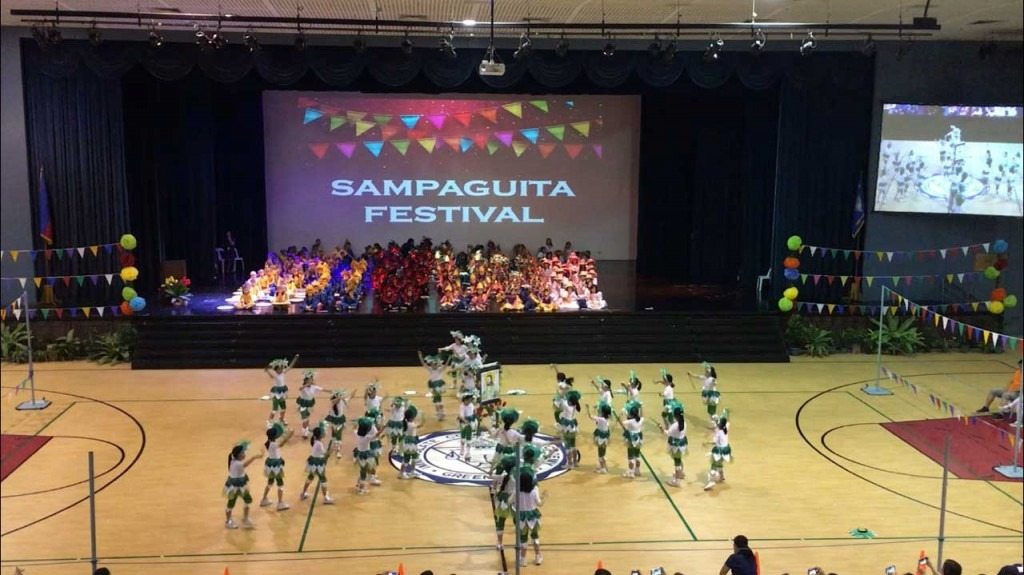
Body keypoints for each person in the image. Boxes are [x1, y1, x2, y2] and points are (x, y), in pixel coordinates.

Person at [224, 441, 263, 529]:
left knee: (247, 500)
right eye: (243, 453)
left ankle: (245, 518)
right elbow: (246, 464)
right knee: (231, 503)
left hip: (240, 486)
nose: (244, 454)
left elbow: (234, 450)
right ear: (238, 455)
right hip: (235, 487)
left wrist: (238, 445)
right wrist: (255, 457)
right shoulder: (238, 464)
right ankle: (228, 521)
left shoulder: (232, 458)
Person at [259, 423, 294, 511]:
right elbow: (282, 443)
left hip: (270, 464)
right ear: (275, 436)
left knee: (270, 482)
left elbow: (280, 440)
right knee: (280, 483)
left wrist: (286, 434)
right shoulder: (273, 444)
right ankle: (280, 503)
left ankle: (264, 499)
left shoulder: (269, 443)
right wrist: (289, 435)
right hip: (275, 466)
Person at [300, 425, 334, 504]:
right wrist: (332, 449)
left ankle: (303, 493)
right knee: (323, 479)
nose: (325, 433)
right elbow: (326, 454)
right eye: (323, 432)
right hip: (318, 463)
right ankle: (326, 498)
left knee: (310, 477)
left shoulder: (315, 441)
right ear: (320, 435)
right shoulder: (319, 443)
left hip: (313, 462)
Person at [655, 404, 687, 487]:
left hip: (675, 446)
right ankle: (681, 473)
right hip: (682, 445)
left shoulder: (675, 426)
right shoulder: (684, 423)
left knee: (677, 462)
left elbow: (667, 433)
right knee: (679, 460)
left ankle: (677, 481)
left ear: (675, 415)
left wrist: (660, 427)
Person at [516, 471, 544, 566]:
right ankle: (538, 557)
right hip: (533, 515)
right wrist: (543, 499)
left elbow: (512, 502)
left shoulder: (517, 491)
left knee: (523, 538)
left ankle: (523, 559)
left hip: (522, 516)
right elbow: (539, 503)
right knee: (535, 536)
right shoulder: (535, 489)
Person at [264, 355, 299, 427]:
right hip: (276, 392)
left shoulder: (283, 373)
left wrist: (295, 358)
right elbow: (271, 376)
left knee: (283, 408)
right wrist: (267, 371)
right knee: (274, 409)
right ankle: (269, 421)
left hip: (283, 391)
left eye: (281, 368)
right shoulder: (275, 375)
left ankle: (281, 419)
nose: (281, 369)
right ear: (276, 370)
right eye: (279, 369)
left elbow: (290, 366)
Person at [705, 411, 732, 491]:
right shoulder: (726, 427)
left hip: (719, 451)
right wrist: (726, 413)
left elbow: (714, 442)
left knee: (713, 464)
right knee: (720, 463)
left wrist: (706, 443)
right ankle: (721, 476)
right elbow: (727, 420)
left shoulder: (718, 432)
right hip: (726, 450)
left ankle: (711, 481)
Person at [353, 416, 381, 494]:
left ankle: (358, 485)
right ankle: (361, 489)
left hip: (359, 454)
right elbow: (377, 435)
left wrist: (357, 422)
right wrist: (383, 427)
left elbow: (354, 428)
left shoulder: (356, 434)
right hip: (366, 455)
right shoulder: (367, 438)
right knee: (364, 473)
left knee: (362, 471)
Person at [419, 351, 447, 421]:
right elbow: (423, 363)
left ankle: (440, 413)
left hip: (439, 386)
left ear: (437, 364)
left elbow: (445, 366)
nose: (434, 366)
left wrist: (449, 359)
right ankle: (440, 413)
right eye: (432, 364)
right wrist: (420, 356)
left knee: (438, 400)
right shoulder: (430, 369)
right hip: (433, 386)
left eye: (435, 364)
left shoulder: (439, 370)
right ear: (431, 365)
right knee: (437, 400)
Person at [296, 370, 323, 438]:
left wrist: (334, 392)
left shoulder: (314, 387)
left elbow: (323, 389)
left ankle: (306, 429)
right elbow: (300, 388)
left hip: (310, 404)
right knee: (304, 419)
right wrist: (306, 384)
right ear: (306, 380)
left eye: (311, 380)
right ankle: (304, 433)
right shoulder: (303, 387)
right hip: (303, 404)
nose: (311, 381)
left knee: (307, 418)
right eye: (309, 380)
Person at [398, 404, 422, 479]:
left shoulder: (405, 423)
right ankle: (412, 472)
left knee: (406, 458)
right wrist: (423, 417)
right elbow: (421, 425)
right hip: (411, 444)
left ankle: (401, 473)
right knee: (414, 458)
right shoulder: (411, 425)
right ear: (412, 417)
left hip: (406, 443)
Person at [586, 402, 611, 473]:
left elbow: (590, 416)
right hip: (605, 437)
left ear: (603, 412)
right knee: (603, 452)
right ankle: (603, 466)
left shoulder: (601, 419)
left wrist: (588, 409)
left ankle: (603, 468)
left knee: (600, 453)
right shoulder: (607, 419)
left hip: (600, 438)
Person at [621, 403, 644, 479]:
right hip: (639, 438)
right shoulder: (640, 419)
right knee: (637, 455)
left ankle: (631, 472)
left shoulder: (630, 421)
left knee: (630, 456)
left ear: (631, 414)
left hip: (631, 438)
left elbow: (622, 422)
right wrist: (641, 407)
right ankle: (637, 470)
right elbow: (642, 415)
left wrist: (622, 413)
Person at [325, 390, 350, 459]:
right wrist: (340, 396)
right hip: (333, 420)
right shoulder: (332, 402)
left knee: (338, 436)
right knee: (334, 436)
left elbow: (350, 397)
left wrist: (355, 391)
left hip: (340, 420)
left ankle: (338, 451)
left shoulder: (342, 401)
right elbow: (334, 401)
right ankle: (330, 449)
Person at [457, 393, 477, 459]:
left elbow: (473, 411)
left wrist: (474, 419)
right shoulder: (462, 406)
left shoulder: (471, 405)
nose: (469, 401)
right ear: (464, 400)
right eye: (468, 400)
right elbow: (461, 416)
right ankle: (462, 449)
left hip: (470, 422)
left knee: (469, 438)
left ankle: (468, 452)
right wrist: (466, 422)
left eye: (470, 400)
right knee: (463, 437)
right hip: (464, 423)